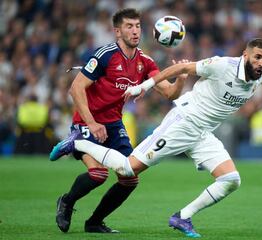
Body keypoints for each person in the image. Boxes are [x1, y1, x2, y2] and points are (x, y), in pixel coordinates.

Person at [50, 38, 262, 237]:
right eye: (257, 57)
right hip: (183, 122)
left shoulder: (258, 75)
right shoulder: (221, 65)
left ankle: (182, 217)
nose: (261, 63)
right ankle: (76, 142)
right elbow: (181, 69)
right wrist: (144, 86)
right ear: (245, 55)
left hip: (202, 133)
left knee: (231, 179)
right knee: (126, 170)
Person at [49, 8, 187, 233]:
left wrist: (180, 79)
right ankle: (66, 201)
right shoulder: (105, 55)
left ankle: (94, 223)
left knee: (129, 178)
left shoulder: (145, 61)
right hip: (86, 123)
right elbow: (76, 89)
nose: (135, 31)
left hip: (113, 125)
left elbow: (170, 93)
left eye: (138, 26)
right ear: (117, 32)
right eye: (129, 27)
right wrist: (92, 123)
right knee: (99, 174)